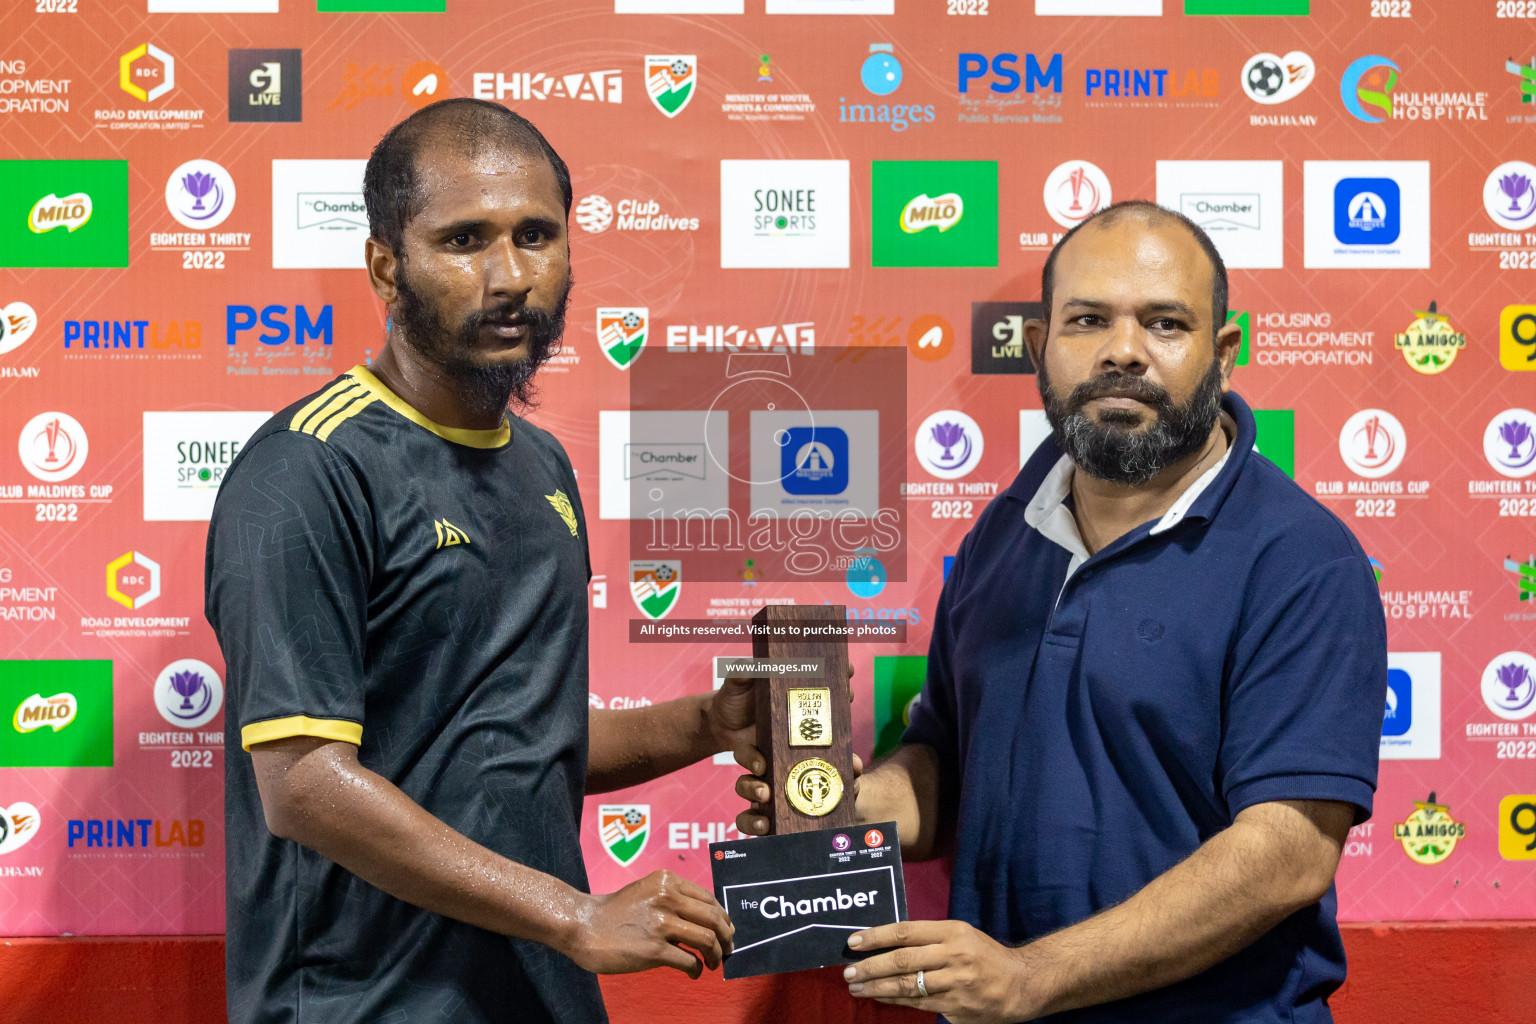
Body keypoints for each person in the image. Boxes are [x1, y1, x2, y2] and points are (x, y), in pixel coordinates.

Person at [736, 201, 1388, 1024]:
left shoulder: (1301, 558)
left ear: (1222, 354)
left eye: (1165, 323)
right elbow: (949, 763)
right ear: (1041, 349)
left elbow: (1288, 854)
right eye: (1087, 321)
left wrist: (1029, 977)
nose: (1123, 350)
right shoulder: (1002, 533)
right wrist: (835, 809)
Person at [206, 99, 757, 1024]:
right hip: (364, 1004)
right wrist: (575, 916)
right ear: (386, 265)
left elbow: (515, 743)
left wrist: (705, 721)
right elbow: (303, 785)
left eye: (536, 235)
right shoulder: (305, 470)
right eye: (464, 240)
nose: (510, 276)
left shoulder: (540, 463)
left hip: (538, 996)